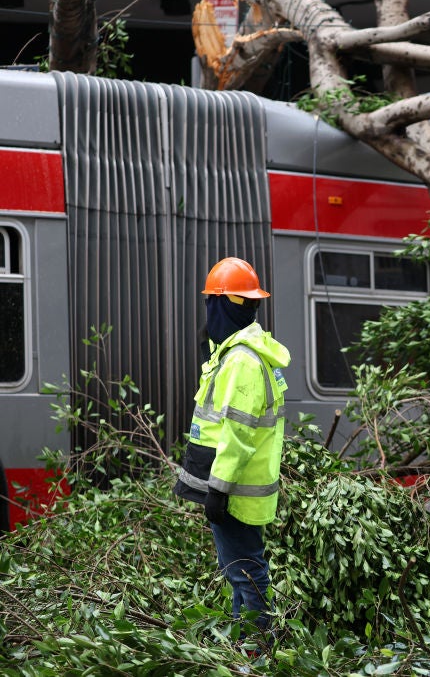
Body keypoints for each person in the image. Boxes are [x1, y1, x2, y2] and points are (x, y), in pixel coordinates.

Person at [173, 257, 291, 636]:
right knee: (240, 571)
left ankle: (257, 646)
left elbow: (237, 436)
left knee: (247, 573)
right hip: (241, 487)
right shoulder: (243, 353)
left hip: (235, 490)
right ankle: (245, 641)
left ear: (220, 304)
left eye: (212, 303)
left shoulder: (241, 360)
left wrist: (218, 491)